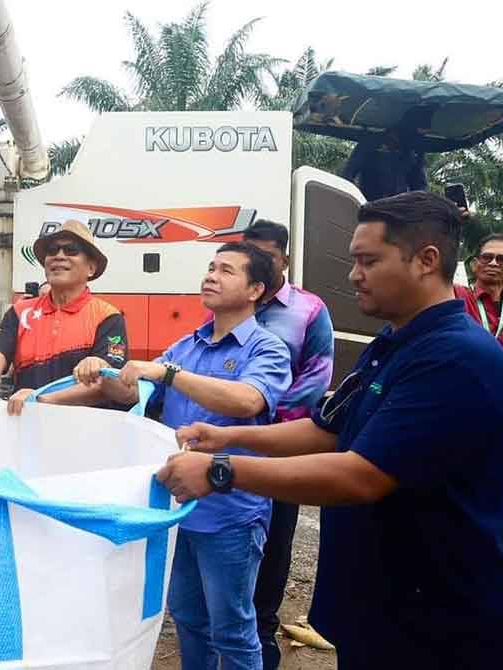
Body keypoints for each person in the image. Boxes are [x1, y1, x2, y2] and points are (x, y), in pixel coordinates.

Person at [160, 192, 503, 669]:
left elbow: (361, 475)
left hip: (436, 619)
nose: (353, 275)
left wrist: (222, 471)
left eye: (368, 261)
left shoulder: (456, 357)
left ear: (426, 260)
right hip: (383, 604)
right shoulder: (394, 342)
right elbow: (326, 430)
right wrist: (229, 437)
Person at [75, 242, 291, 670]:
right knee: (189, 619)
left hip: (230, 512)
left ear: (255, 290)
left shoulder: (267, 349)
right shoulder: (186, 346)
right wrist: (103, 371)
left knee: (231, 627)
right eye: (210, 267)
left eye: (226, 270)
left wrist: (167, 372)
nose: (211, 275)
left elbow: (247, 401)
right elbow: (134, 391)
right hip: (176, 509)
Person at [240, 220, 335, 669]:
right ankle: (231, 626)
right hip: (232, 442)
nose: (256, 264)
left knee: (276, 540)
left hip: (281, 445)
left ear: (283, 257)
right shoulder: (232, 304)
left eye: (265, 256)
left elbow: (317, 376)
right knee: (232, 535)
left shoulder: (309, 310)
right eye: (249, 255)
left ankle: (262, 632)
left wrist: (258, 413)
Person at [0, 220, 128, 418]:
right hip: (27, 429)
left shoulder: (107, 316)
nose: (59, 256)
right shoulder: (19, 312)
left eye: (71, 250)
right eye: (52, 250)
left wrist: (41, 397)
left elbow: (109, 383)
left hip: (85, 434)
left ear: (91, 268)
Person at [342, 129, 428, 201]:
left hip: (397, 207)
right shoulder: (370, 143)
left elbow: (419, 186)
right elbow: (348, 175)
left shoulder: (414, 151)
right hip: (369, 203)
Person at [454, 232, 503, 345]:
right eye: (487, 257)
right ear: (474, 265)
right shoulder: (457, 295)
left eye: (501, 259)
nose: (494, 263)